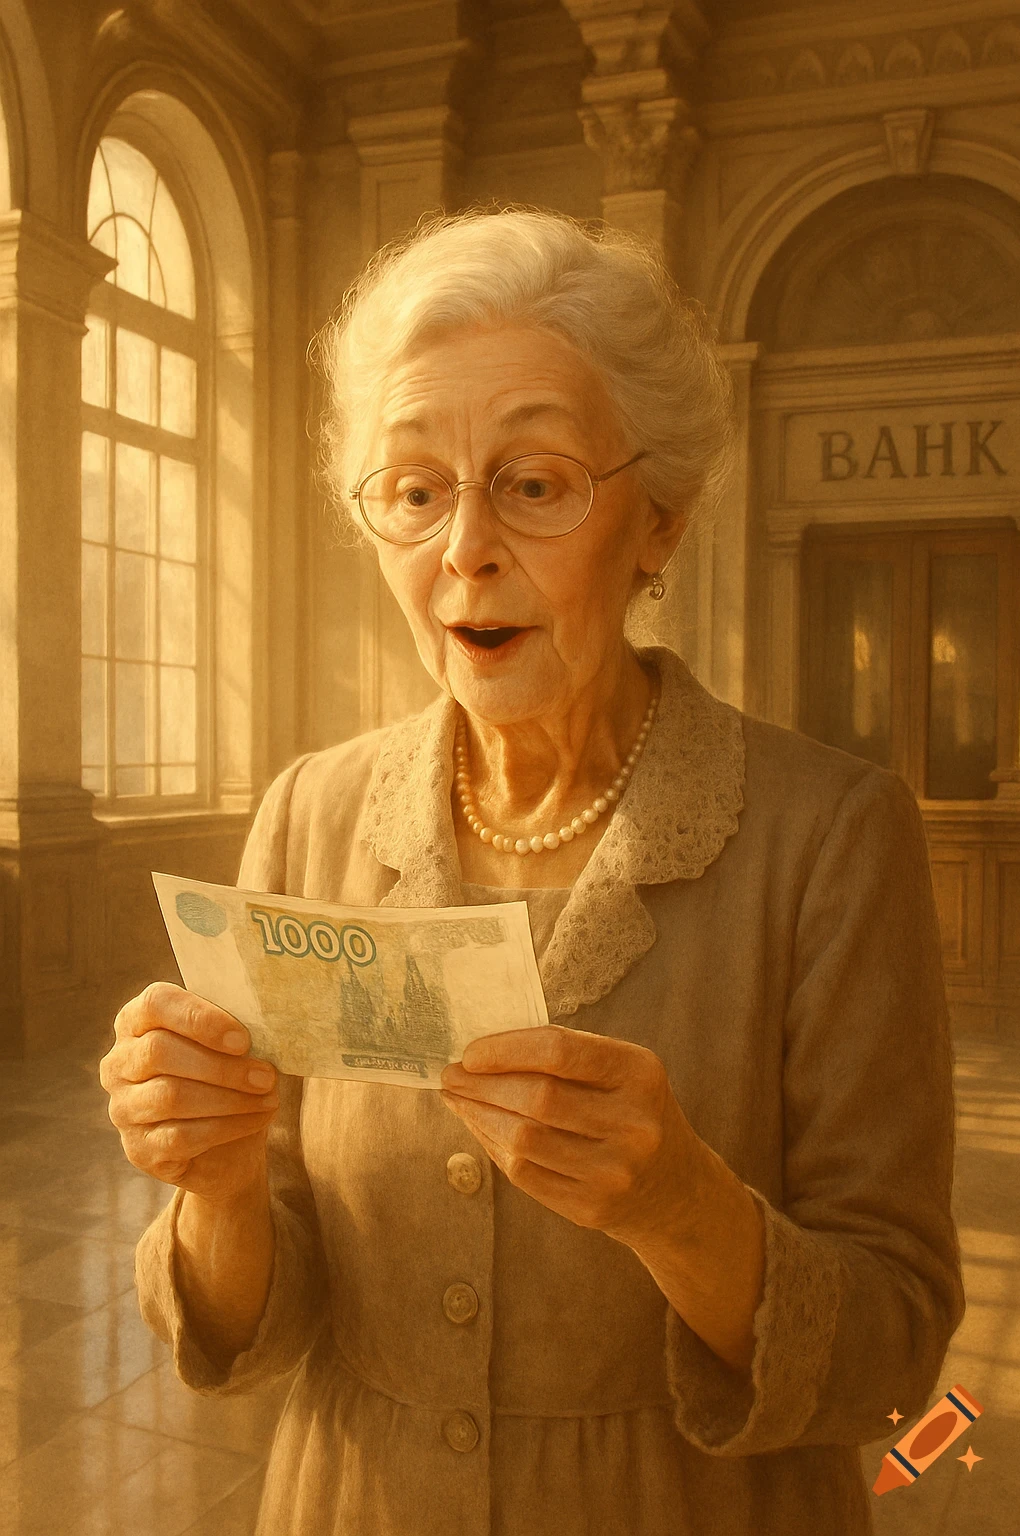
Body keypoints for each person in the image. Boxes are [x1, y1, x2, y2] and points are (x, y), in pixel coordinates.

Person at [100, 209, 964, 1535]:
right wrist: (214, 1183)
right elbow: (247, 1324)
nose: (465, 548)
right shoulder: (311, 816)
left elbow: (895, 1361)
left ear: (660, 519)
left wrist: (682, 1206)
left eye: (537, 482)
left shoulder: (832, 837)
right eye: (415, 490)